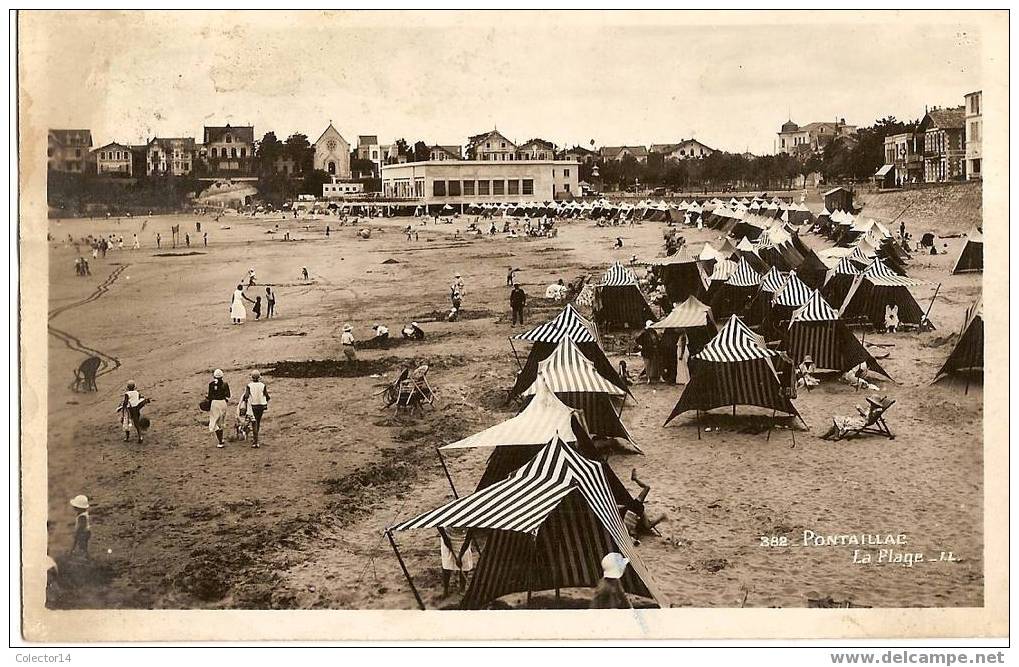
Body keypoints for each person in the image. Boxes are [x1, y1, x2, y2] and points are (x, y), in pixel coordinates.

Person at [622, 469, 669, 541]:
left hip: (635, 507)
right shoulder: (630, 528)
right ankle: (662, 517)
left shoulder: (626, 529)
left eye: (634, 535)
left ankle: (635, 479)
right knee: (647, 526)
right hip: (637, 511)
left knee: (647, 488)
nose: (635, 534)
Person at [440, 528, 477, 597]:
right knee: (447, 563)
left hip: (463, 538)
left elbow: (467, 540)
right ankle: (445, 589)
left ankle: (462, 588)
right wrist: (445, 539)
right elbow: (438, 525)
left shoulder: (472, 522)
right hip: (448, 536)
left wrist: (460, 557)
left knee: (464, 563)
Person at [241, 370, 270, 448]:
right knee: (258, 421)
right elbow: (267, 396)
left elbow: (246, 396)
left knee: (254, 422)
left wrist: (244, 401)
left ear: (252, 378)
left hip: (253, 406)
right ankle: (256, 438)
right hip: (261, 406)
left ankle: (255, 441)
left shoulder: (249, 385)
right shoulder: (263, 385)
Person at [207, 369, 231, 448]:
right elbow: (228, 395)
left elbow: (210, 396)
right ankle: (221, 438)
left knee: (214, 422)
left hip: (214, 404)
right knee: (221, 421)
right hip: (223, 403)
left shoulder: (211, 384)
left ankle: (220, 441)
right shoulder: (225, 384)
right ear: (222, 376)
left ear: (214, 376)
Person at [69, 495, 91, 560]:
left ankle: (85, 557)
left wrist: (76, 534)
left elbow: (81, 526)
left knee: (82, 545)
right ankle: (85, 556)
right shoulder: (81, 514)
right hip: (84, 532)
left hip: (83, 533)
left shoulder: (82, 516)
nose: (74, 507)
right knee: (82, 545)